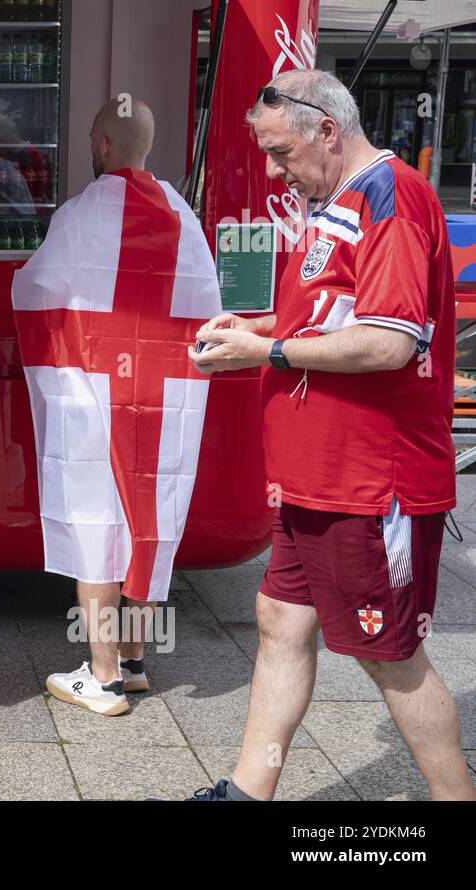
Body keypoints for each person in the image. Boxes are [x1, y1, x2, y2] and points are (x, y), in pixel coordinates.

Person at [187, 68, 473, 801]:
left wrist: (268, 352)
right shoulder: (340, 197)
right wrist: (256, 330)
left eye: (282, 153)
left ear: (327, 129)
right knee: (279, 618)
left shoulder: (391, 196)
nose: (278, 173)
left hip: (370, 480)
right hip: (320, 475)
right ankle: (249, 794)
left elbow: (389, 343)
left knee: (388, 655)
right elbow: (331, 320)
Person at [12, 98, 221, 716]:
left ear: (101, 144)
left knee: (96, 518)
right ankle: (132, 661)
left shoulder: (79, 215)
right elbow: (204, 307)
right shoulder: (185, 218)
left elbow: (36, 289)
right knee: (152, 516)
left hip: (95, 391)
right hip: (166, 397)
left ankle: (100, 678)